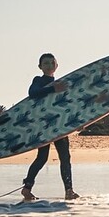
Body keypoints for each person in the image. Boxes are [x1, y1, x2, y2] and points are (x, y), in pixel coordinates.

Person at [21, 53, 80, 202]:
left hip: (59, 125)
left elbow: (68, 105)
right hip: (44, 126)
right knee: (42, 158)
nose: (49, 65)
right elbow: (32, 93)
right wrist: (53, 89)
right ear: (40, 67)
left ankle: (69, 190)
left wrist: (79, 122)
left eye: (51, 62)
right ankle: (27, 187)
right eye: (45, 63)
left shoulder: (61, 83)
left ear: (56, 65)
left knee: (65, 157)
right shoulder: (39, 81)